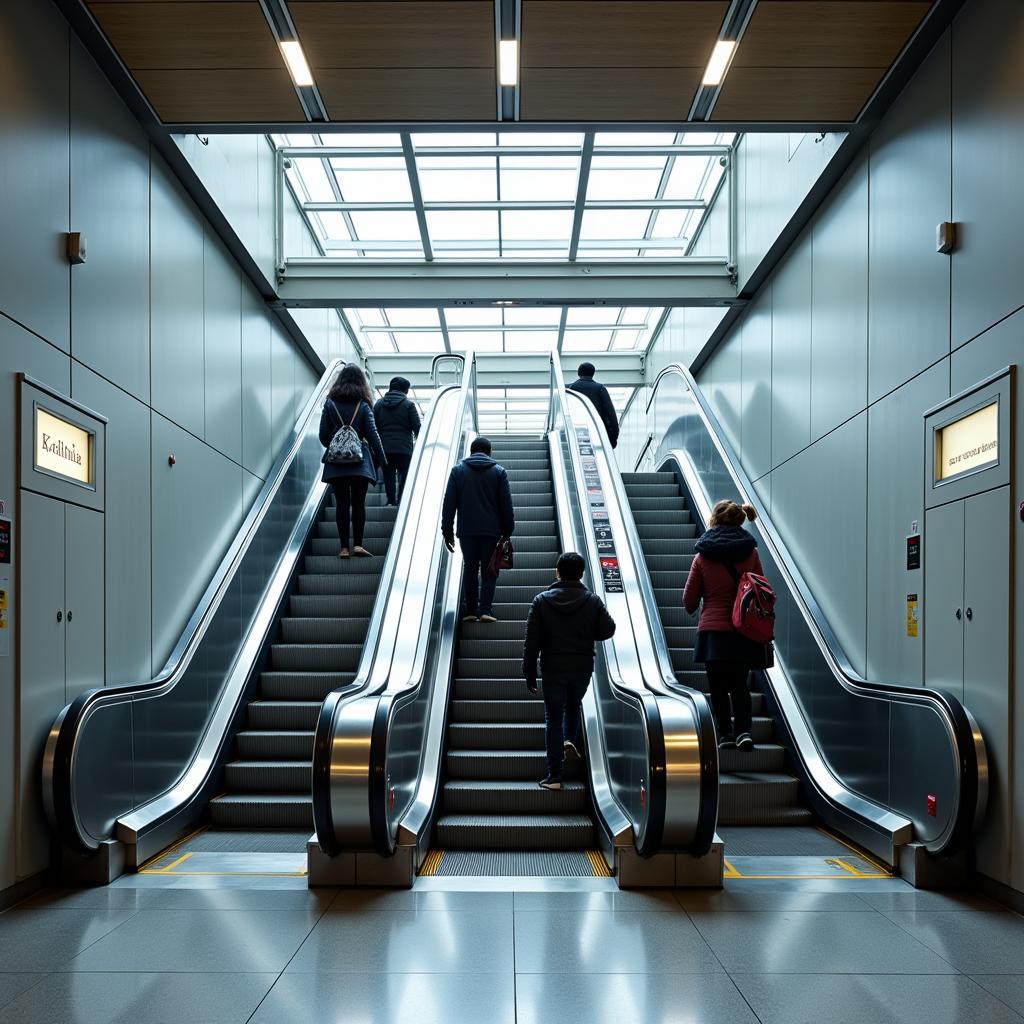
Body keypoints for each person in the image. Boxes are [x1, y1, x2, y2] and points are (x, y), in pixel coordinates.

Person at [522, 551, 616, 790]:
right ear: (581, 574)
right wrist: (586, 632)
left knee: (553, 717)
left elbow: (532, 641)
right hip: (582, 665)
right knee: (573, 705)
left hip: (553, 666)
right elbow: (608, 629)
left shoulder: (541, 601)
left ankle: (554, 776)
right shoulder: (592, 601)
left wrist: (529, 672)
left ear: (558, 572)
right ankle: (568, 739)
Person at [683, 499, 770, 752]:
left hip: (713, 631)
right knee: (740, 685)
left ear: (715, 519)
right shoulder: (751, 553)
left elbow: (689, 600)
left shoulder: (702, 556)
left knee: (718, 687)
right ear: (740, 519)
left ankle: (725, 735)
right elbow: (761, 587)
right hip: (743, 630)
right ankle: (744, 732)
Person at [441, 436, 515, 624]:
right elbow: (506, 504)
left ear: (471, 451)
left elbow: (449, 503)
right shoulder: (499, 472)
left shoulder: (458, 471)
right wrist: (508, 530)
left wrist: (447, 531)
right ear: (489, 453)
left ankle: (470, 611)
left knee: (470, 568)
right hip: (491, 531)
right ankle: (485, 610)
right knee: (490, 569)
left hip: (466, 531)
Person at [319, 364, 387, 559]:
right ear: (361, 383)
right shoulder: (363, 405)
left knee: (342, 503)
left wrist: (338, 439)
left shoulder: (330, 404)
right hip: (360, 462)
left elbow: (323, 436)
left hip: (336, 464)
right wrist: (382, 459)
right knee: (358, 503)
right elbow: (373, 435)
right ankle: (358, 544)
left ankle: (343, 548)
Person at [373, 376, 421, 507]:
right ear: (405, 390)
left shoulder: (378, 404)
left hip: (384, 449)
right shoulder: (409, 405)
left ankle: (390, 501)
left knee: (388, 475)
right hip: (404, 449)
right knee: (404, 476)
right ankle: (401, 501)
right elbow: (417, 428)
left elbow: (373, 427)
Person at [568, 362, 619, 449]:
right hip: (597, 431)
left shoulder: (570, 389)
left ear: (578, 373)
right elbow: (610, 413)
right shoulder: (600, 388)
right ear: (593, 373)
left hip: (576, 430)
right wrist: (614, 434)